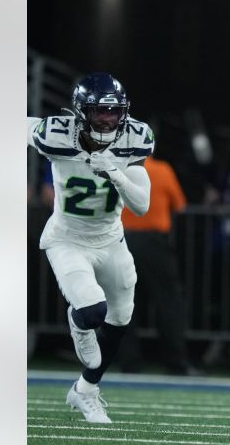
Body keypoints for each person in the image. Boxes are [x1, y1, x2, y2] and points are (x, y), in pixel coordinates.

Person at [28, 73, 154, 423]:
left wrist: (115, 172)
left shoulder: (134, 138)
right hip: (67, 239)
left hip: (111, 239)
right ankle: (79, 322)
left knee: (121, 315)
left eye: (114, 113)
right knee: (91, 310)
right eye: (99, 112)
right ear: (82, 112)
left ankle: (86, 391)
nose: (108, 120)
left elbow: (142, 204)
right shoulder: (55, 134)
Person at [117, 144, 194, 376]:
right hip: (154, 242)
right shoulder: (162, 169)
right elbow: (180, 205)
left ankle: (129, 363)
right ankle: (176, 362)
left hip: (120, 240)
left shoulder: (116, 169)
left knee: (123, 303)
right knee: (168, 301)